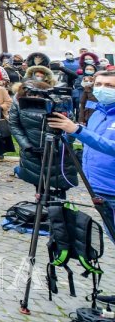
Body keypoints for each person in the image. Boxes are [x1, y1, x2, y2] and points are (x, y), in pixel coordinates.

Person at [48, 67, 115, 235]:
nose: (102, 88)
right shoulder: (98, 113)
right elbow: (91, 142)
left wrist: (77, 130)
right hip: (98, 186)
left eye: (109, 86)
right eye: (98, 84)